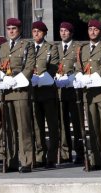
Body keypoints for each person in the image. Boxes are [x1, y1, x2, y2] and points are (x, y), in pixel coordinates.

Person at [0, 18, 35, 173]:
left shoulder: (27, 45)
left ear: (20, 29)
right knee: (8, 129)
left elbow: (29, 67)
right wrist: (0, 79)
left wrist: (14, 81)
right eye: (8, 28)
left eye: (14, 28)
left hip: (20, 91)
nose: (11, 31)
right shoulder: (2, 48)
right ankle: (10, 161)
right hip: (6, 93)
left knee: (23, 128)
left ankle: (26, 161)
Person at [74, 19, 101, 171]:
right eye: (90, 29)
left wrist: (90, 78)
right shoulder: (82, 49)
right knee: (92, 128)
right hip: (88, 94)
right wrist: (79, 77)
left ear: (100, 32)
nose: (92, 31)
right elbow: (79, 67)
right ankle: (96, 160)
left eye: (96, 29)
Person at [30, 21, 60, 169]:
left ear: (44, 33)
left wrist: (39, 79)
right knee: (37, 126)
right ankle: (39, 156)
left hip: (47, 92)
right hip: (33, 93)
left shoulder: (51, 48)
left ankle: (52, 157)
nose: (36, 34)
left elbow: (53, 67)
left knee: (53, 126)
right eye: (34, 31)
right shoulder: (28, 48)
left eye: (39, 31)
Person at [55, 22, 84, 165]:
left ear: (71, 33)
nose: (63, 33)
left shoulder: (78, 47)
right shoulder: (55, 48)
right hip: (60, 91)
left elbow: (80, 65)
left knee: (77, 123)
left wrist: (72, 77)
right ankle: (65, 153)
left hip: (74, 91)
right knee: (62, 122)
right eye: (61, 31)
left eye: (66, 31)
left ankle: (80, 152)